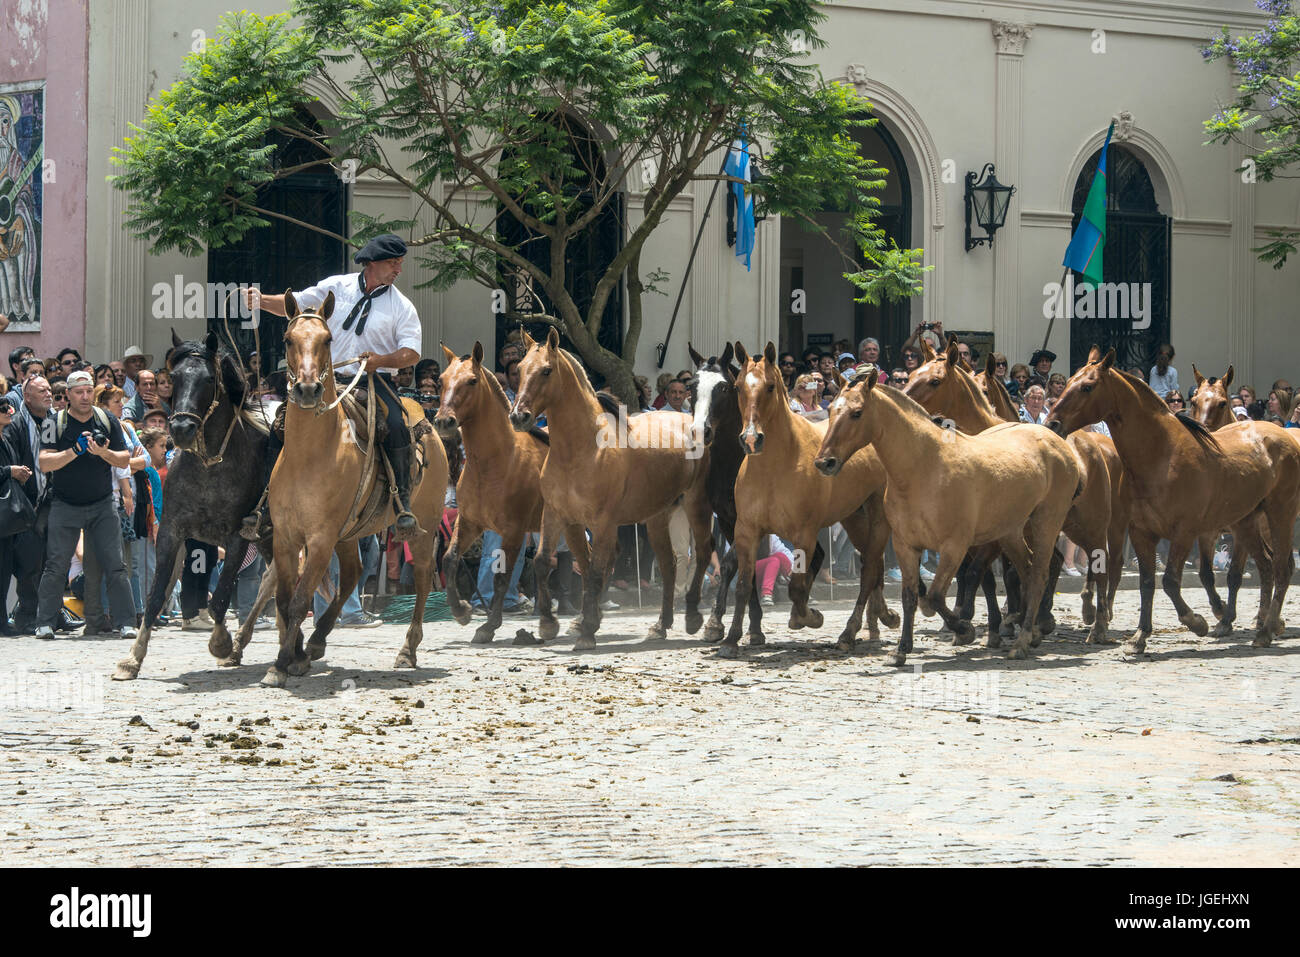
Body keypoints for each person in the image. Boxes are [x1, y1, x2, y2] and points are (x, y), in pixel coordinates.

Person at [241, 233, 424, 540]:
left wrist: (379, 361)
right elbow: (297, 303)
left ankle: (402, 504)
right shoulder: (336, 286)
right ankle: (264, 503)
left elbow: (412, 353)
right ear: (373, 263)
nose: (398, 270)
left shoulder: (401, 306)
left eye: (400, 264)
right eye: (393, 263)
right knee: (279, 426)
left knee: (396, 424)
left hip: (372, 380)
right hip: (324, 379)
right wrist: (261, 301)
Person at [33, 370, 137, 640]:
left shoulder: (108, 419)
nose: (84, 396)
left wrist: (103, 452)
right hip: (65, 504)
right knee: (56, 565)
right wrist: (75, 451)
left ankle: (126, 622)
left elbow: (125, 459)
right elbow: (44, 463)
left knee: (115, 564)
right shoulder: (54, 422)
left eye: (88, 390)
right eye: (78, 391)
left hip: (102, 504)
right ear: (67, 394)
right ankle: (44, 622)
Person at [0, 396, 33, 634]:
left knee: (5, 568)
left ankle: (2, 620)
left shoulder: (6, 438)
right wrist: (9, 471)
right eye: (2, 408)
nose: (9, 410)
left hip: (7, 517)